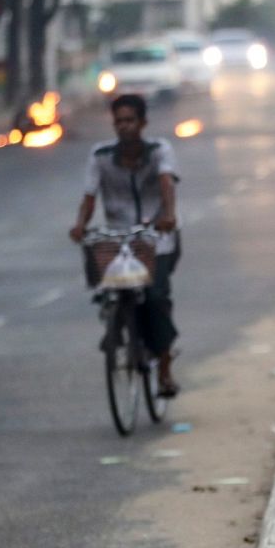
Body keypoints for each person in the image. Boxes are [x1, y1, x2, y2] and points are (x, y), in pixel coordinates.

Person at [68, 94, 183, 396]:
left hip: (157, 240)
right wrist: (80, 224)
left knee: (156, 297)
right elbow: (89, 197)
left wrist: (168, 216)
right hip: (119, 240)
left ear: (142, 123)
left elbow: (167, 184)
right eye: (119, 121)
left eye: (130, 120)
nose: (124, 127)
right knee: (108, 286)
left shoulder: (160, 151)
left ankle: (164, 367)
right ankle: (116, 325)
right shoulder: (100, 155)